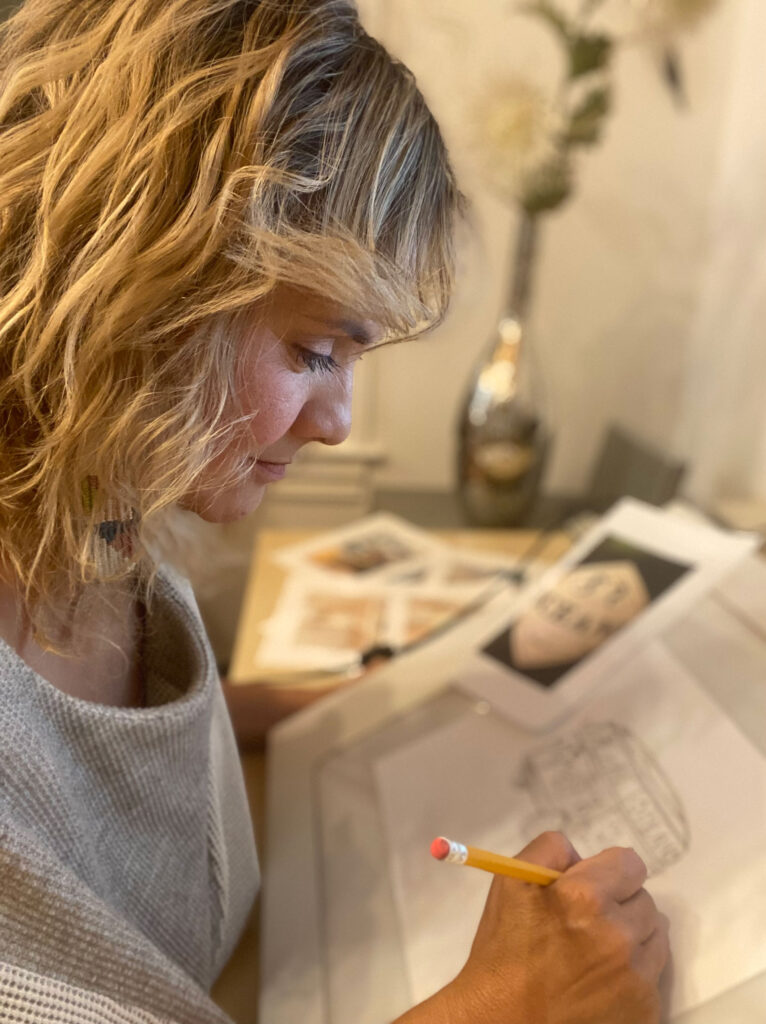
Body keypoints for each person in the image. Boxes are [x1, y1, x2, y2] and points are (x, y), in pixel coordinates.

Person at [0, 1, 670, 1022]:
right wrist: (504, 1006)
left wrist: (266, 709)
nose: (340, 422)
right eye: (315, 351)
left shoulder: (103, 499)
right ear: (142, 287)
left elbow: (90, 774)